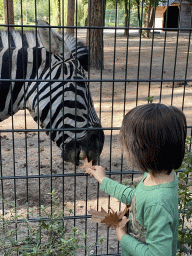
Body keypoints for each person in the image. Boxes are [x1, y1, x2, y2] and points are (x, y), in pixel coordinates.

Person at [87, 103, 187, 256]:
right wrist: (103, 180)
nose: (125, 151)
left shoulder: (157, 203)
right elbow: (137, 197)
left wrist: (123, 238)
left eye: (127, 146)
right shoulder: (158, 176)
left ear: (143, 151)